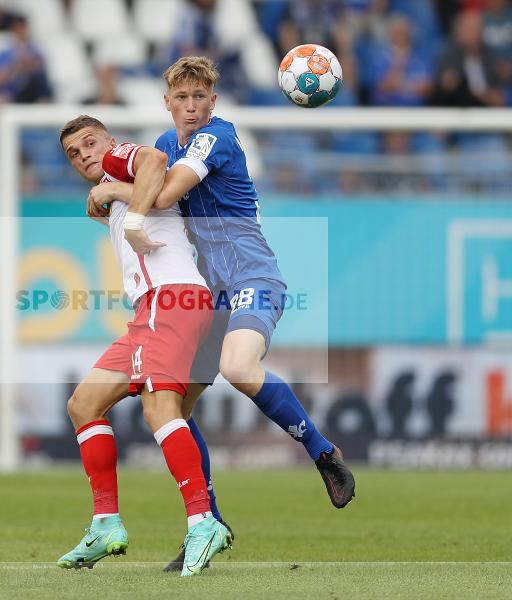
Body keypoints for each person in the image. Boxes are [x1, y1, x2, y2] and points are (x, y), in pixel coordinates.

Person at [88, 56, 356, 511]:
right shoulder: (161, 146)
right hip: (207, 293)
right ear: (167, 103)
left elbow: (165, 195)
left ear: (212, 102)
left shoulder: (219, 136)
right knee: (174, 407)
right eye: (182, 98)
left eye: (199, 98)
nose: (191, 107)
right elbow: (151, 200)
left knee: (237, 368)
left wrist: (111, 191)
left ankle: (322, 452)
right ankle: (208, 522)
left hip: (253, 276)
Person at [56, 115, 232, 576]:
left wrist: (118, 199)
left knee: (160, 409)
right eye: (74, 154)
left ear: (109, 141)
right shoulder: (123, 185)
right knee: (84, 403)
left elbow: (154, 158)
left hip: (169, 300)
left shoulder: (122, 160)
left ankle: (203, 521)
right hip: (152, 310)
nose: (85, 155)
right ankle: (105, 524)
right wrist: (114, 206)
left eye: (90, 143)